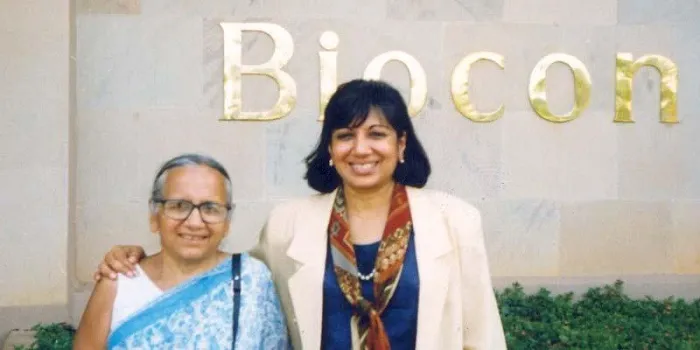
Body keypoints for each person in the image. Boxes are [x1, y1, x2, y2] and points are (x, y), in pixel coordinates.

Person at [94, 80, 507, 349]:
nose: (360, 149)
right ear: (329, 148)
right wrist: (139, 259)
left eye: (376, 134)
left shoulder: (455, 220)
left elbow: (482, 334)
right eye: (345, 135)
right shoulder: (289, 224)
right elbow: (223, 276)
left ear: (401, 145)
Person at [74, 154, 289, 349]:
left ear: (227, 222)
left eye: (210, 209)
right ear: (154, 215)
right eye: (178, 206)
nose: (195, 222)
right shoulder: (118, 283)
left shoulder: (252, 280)